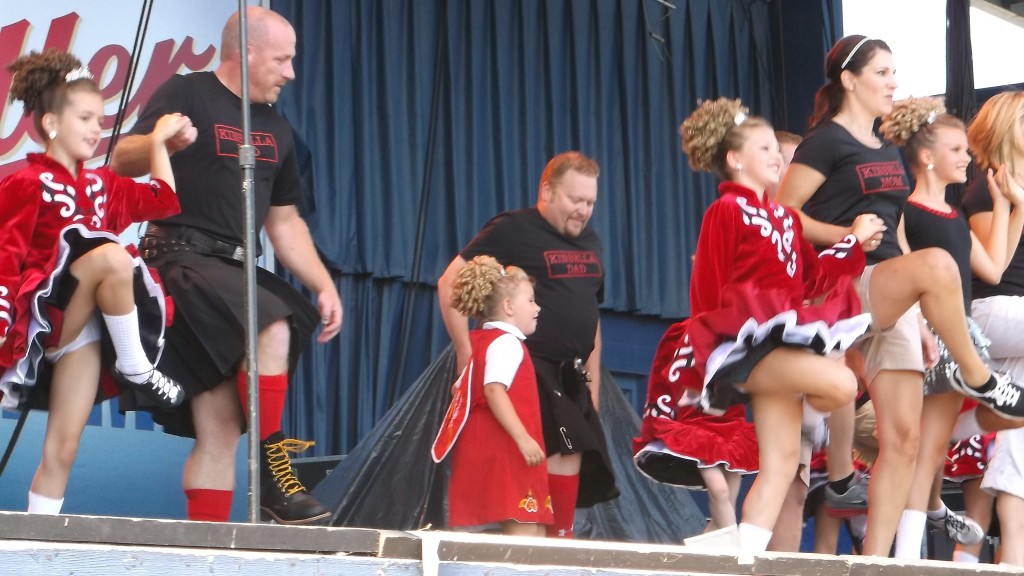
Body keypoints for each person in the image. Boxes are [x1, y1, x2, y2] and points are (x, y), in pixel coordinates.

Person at [775, 35, 1024, 556]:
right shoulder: (824, 142)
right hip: (844, 280)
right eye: (884, 72)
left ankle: (878, 561)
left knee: (905, 440)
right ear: (850, 80)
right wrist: (843, 233)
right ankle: (978, 376)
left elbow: (899, 233)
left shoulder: (888, 148)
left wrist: (923, 313)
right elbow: (783, 214)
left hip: (892, 289)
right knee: (936, 265)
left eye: (895, 73)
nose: (894, 82)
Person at [110, 7, 343, 525]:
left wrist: (322, 283)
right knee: (274, 324)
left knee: (218, 428)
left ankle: (206, 549)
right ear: (250, 52)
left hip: (234, 273)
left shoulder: (277, 127)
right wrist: (158, 143)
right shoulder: (186, 92)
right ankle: (275, 468)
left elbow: (283, 223)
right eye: (282, 60)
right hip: (179, 258)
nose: (291, 73)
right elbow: (119, 160)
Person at [634, 97, 885, 552]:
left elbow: (813, 280)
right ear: (734, 160)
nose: (776, 156)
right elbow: (707, 290)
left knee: (783, 462)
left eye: (777, 148)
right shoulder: (727, 212)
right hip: (743, 348)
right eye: (765, 147)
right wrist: (706, 357)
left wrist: (853, 241)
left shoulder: (786, 219)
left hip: (783, 346)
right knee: (842, 384)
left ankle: (740, 556)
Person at [0, 50, 191, 514]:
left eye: (101, 119)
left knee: (62, 449)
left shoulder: (102, 184)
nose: (96, 128)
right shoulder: (25, 182)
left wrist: (157, 146)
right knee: (109, 255)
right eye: (84, 117)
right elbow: (6, 261)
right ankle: (137, 367)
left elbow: (163, 200)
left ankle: (38, 549)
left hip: (80, 334)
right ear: (49, 123)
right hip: (42, 321)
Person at [437, 151, 618, 539]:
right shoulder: (513, 229)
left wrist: (594, 388)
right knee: (536, 465)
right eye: (576, 200)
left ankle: (560, 548)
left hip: (572, 373)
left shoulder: (591, 241)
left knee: (570, 458)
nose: (584, 211)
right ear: (548, 191)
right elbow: (449, 282)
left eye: (590, 203)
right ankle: (538, 552)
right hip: (528, 370)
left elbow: (591, 315)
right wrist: (468, 359)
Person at [881, 96, 1024, 558]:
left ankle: (909, 553)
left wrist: (1009, 206)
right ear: (928, 157)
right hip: (926, 336)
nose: (967, 158)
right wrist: (916, 325)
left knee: (932, 447)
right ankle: (899, 555)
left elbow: (995, 267)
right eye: (957, 150)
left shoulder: (957, 215)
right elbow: (899, 269)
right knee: (912, 449)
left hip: (962, 337)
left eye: (966, 150)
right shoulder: (906, 211)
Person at [430, 255, 552, 536]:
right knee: (525, 535)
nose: (538, 307)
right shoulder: (507, 343)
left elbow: (459, 389)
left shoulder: (483, 343)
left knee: (530, 529)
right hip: (508, 449)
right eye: (531, 300)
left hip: (493, 447)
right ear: (508, 307)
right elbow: (494, 389)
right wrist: (523, 438)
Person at [962, 90, 1024, 567]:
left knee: (1016, 430)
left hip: (1016, 325)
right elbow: (993, 268)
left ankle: (1000, 558)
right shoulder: (985, 186)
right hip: (995, 312)